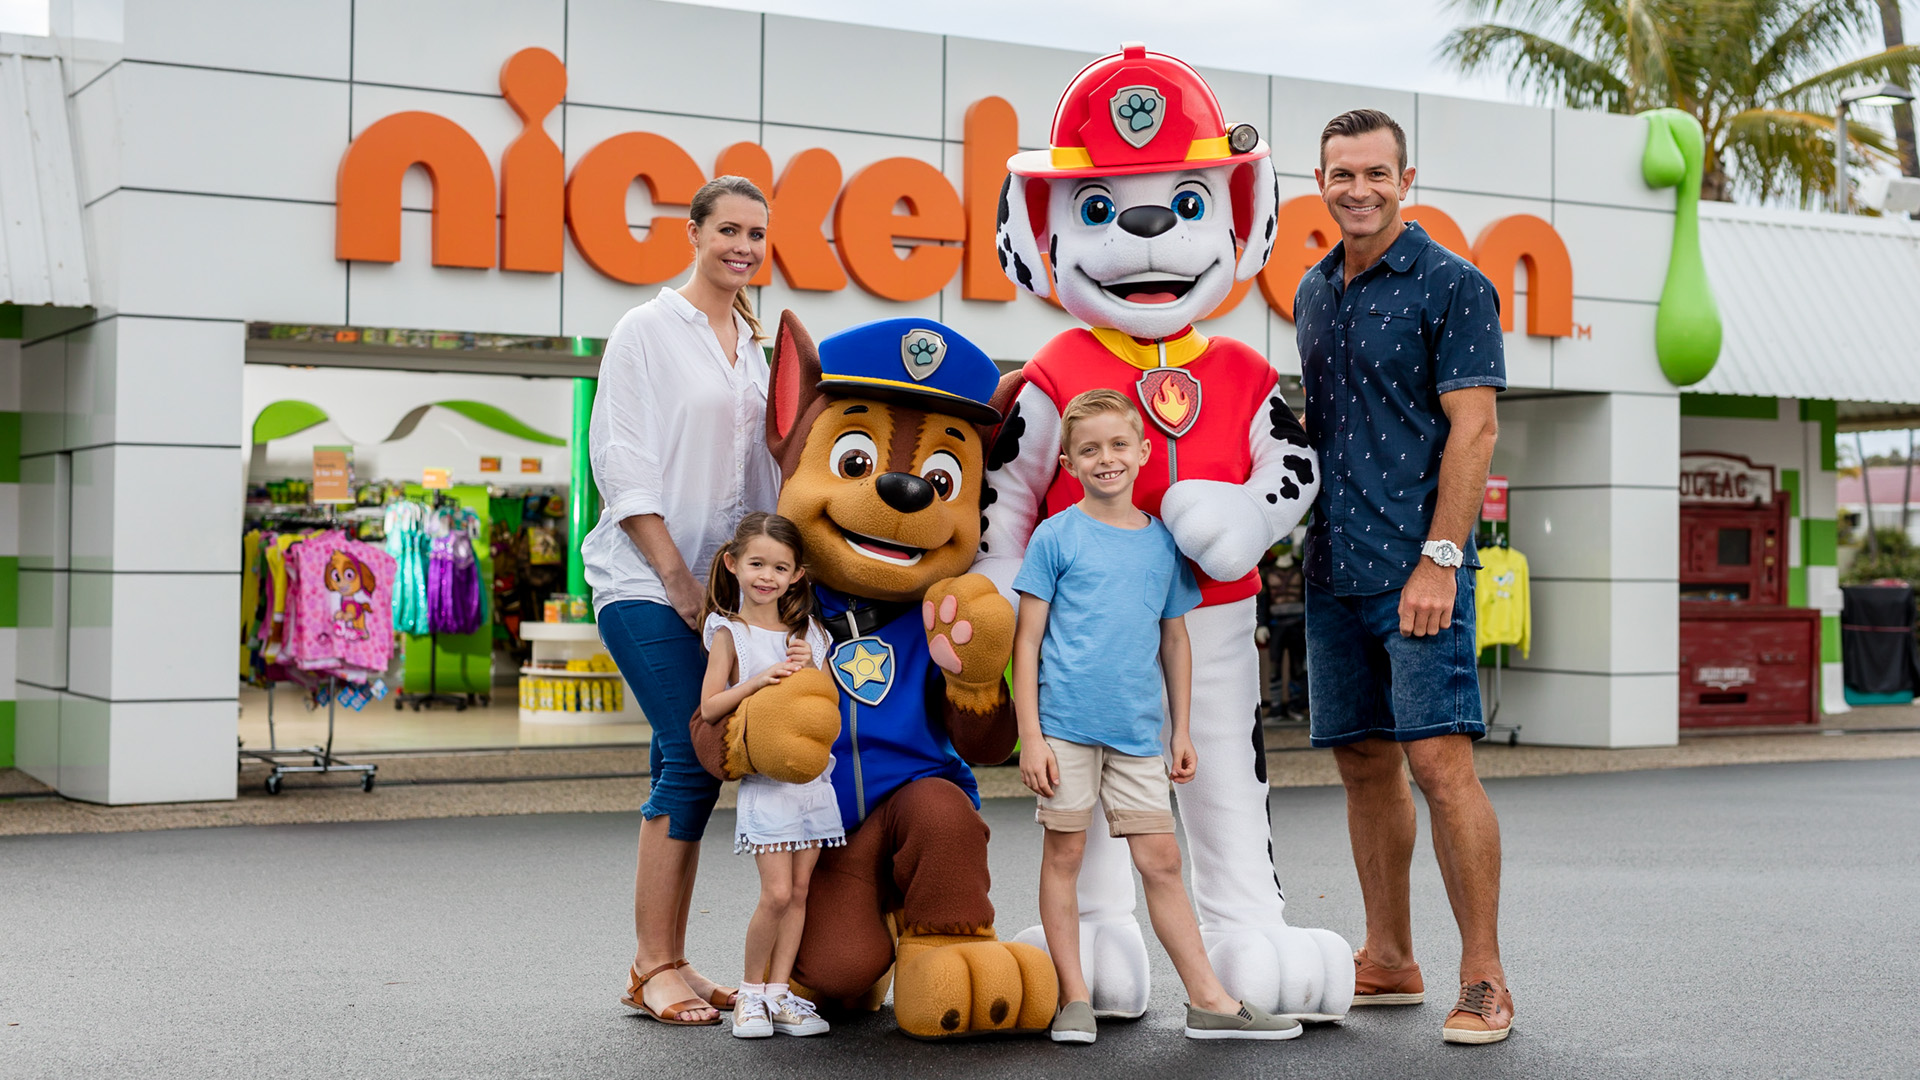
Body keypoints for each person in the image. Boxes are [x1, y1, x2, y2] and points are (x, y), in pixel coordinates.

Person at [1295, 108, 1513, 1044]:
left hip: (1416, 568)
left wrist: (1441, 559)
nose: (1359, 189)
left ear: (1404, 177)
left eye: (1375, 173)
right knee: (1362, 761)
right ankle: (1389, 957)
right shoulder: (1311, 291)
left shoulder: (1451, 285)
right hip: (1334, 566)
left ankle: (1485, 980)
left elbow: (1477, 428)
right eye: (1342, 174)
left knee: (1439, 762)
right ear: (1321, 180)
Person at [1012, 389, 1302, 1044]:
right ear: (1068, 461)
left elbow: (1175, 639)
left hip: (1139, 734)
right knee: (1065, 857)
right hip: (1065, 730)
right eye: (1089, 449)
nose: (1105, 459)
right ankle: (1075, 1001)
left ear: (1144, 453)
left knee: (1162, 862)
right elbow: (1025, 641)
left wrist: (1180, 730)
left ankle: (1210, 1002)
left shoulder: (1162, 546)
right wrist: (1030, 737)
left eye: (1118, 445)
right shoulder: (1055, 537)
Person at [589, 176, 782, 1027]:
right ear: (694, 232)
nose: (742, 246)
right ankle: (653, 963)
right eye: (728, 229)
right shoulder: (645, 331)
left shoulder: (752, 343)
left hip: (720, 597)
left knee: (691, 765)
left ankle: (661, 963)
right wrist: (674, 578)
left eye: (756, 234)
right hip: (643, 582)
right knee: (693, 750)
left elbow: (760, 479)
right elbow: (620, 462)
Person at [694, 513, 841, 1040]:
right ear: (733, 564)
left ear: (797, 574)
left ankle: (780, 995)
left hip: (813, 782)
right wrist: (757, 680)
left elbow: (824, 708)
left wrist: (810, 667)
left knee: (801, 892)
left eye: (780, 567)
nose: (767, 576)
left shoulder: (811, 634)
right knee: (776, 894)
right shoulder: (728, 631)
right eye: (757, 563)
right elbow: (711, 707)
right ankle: (749, 995)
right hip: (766, 785)